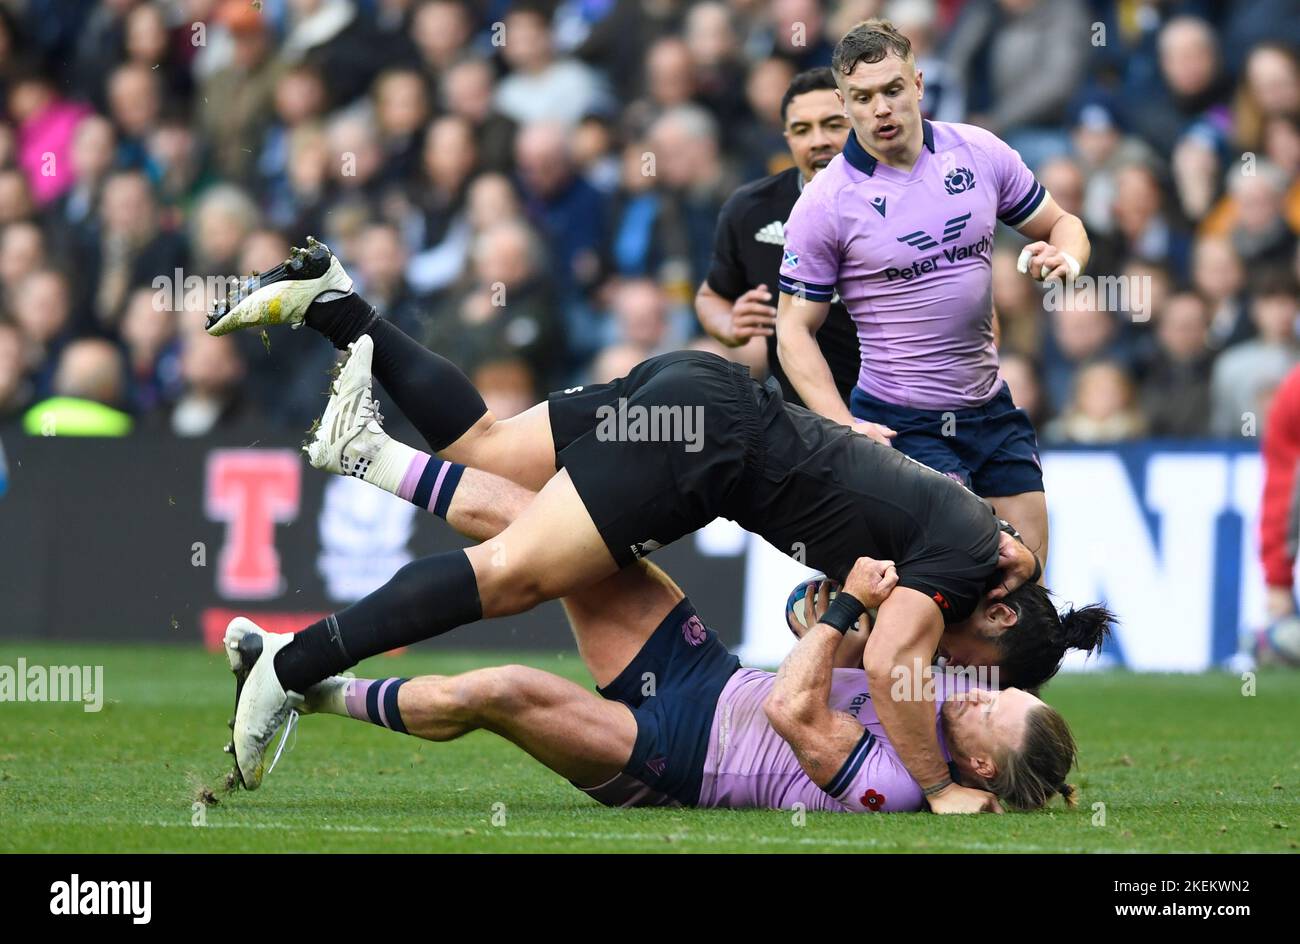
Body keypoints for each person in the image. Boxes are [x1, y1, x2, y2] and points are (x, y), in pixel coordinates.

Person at [205, 238, 1112, 811]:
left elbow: (829, 627)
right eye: (981, 673)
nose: (950, 673)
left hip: (704, 388)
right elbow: (881, 661)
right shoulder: (960, 563)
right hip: (711, 447)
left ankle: (335, 303)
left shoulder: (960, 543)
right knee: (515, 575)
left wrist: (831, 615)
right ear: (996, 613)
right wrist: (947, 786)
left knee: (486, 451)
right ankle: (296, 666)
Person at [221, 386, 1079, 812]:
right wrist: (828, 615)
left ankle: (315, 689)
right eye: (995, 694)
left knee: (499, 691)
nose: (974, 698)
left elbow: (793, 709)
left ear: (977, 771)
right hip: (706, 674)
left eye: (986, 717)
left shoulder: (901, 785)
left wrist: (849, 615)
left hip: (678, 755)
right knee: (540, 534)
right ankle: (369, 454)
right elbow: (818, 636)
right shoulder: (953, 691)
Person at [775, 19, 1092, 569]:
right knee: (961, 567)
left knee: (1030, 572)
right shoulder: (826, 203)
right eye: (863, 97)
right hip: (904, 421)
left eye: (892, 90)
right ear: (844, 104)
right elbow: (793, 330)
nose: (881, 109)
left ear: (917, 85)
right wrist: (843, 427)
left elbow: (1063, 224)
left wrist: (1066, 258)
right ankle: (843, 616)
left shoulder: (978, 151)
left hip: (990, 406)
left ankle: (853, 614)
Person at [695, 68, 860, 407]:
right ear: (787, 138)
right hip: (801, 417)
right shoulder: (750, 208)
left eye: (833, 124)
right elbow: (711, 296)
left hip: (903, 409)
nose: (818, 141)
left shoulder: (904, 200)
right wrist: (729, 324)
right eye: (802, 130)